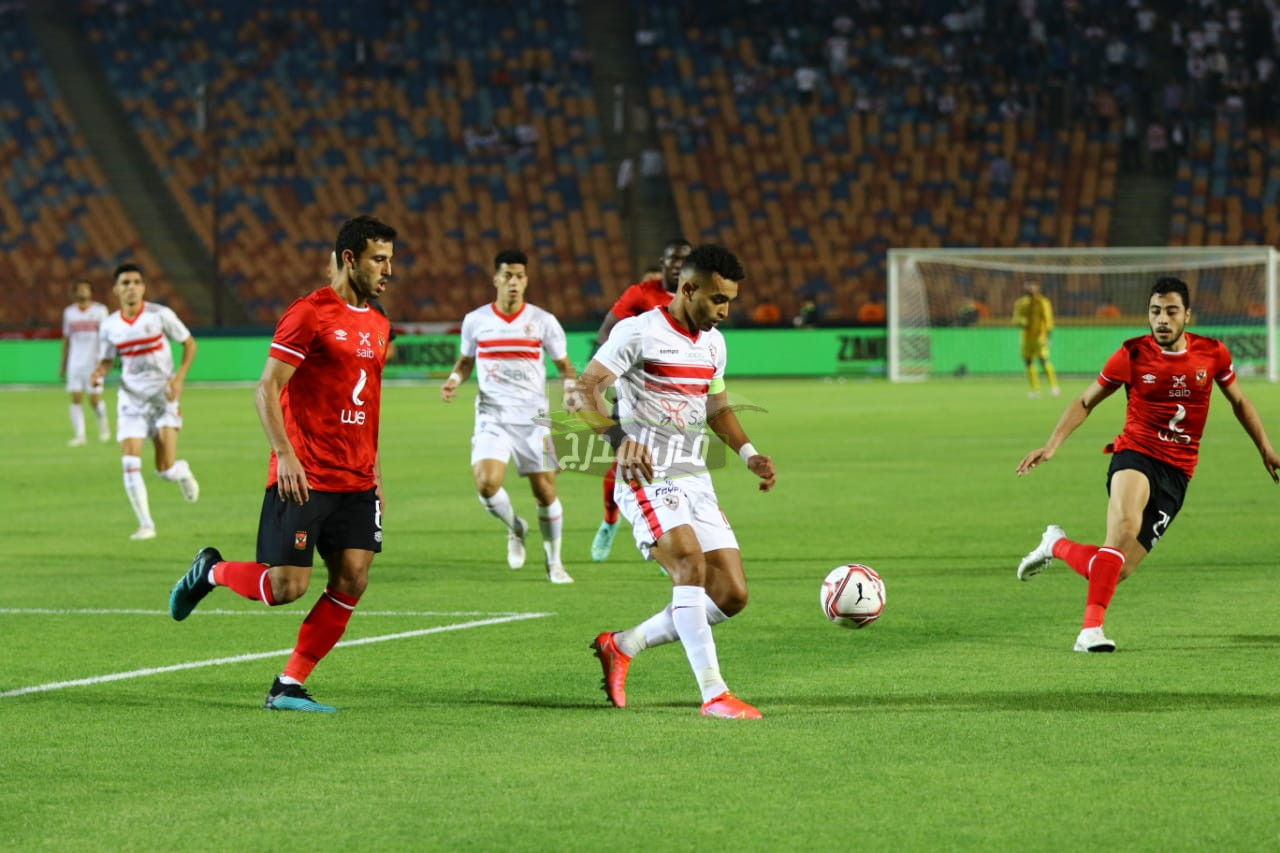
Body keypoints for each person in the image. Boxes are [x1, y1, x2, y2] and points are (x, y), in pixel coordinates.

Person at [167, 215, 397, 713]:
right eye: (379, 259)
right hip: (306, 473)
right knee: (287, 586)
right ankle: (210, 572)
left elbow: (369, 403)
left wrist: (375, 473)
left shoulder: (380, 325)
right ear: (349, 259)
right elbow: (266, 387)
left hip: (356, 479)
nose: (388, 270)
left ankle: (288, 684)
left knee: (353, 577)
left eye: (391, 260)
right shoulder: (310, 313)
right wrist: (285, 454)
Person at [1015, 277, 1280, 653]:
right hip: (1135, 454)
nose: (1162, 320)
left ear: (1187, 315)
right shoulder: (1131, 354)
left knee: (1114, 569)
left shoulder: (1213, 353)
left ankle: (1056, 544)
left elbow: (1239, 402)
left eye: (1171, 312)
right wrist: (1052, 444)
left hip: (1178, 472)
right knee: (1123, 528)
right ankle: (1090, 631)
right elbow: (1086, 400)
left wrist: (1265, 448)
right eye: (1155, 311)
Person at [571, 244, 776, 719]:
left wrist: (749, 454)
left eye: (730, 301)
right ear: (688, 289)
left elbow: (717, 409)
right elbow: (583, 391)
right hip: (646, 473)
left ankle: (623, 644)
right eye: (718, 299)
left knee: (730, 594)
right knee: (688, 563)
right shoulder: (637, 332)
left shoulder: (713, 343)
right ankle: (714, 694)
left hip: (695, 476)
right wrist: (618, 438)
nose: (725, 312)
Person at [440, 248, 578, 584]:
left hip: (534, 419)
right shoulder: (476, 321)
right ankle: (515, 527)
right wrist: (454, 380)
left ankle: (554, 562)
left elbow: (564, 366)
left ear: (526, 280)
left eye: (519, 276)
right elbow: (465, 361)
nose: (513, 282)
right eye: (507, 275)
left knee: (545, 492)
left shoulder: (543, 321)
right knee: (487, 485)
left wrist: (572, 393)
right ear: (496, 278)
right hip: (493, 416)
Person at [589, 238, 692, 562]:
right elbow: (607, 331)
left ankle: (668, 539)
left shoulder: (695, 297)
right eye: (672, 258)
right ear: (662, 263)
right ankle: (610, 523)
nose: (677, 265)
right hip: (635, 393)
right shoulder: (640, 293)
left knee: (677, 465)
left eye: (683, 260)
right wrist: (610, 372)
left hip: (675, 399)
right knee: (625, 459)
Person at [90, 263, 199, 540]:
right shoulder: (109, 326)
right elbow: (106, 360)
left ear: (143, 287)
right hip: (131, 400)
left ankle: (180, 471)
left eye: (136, 282)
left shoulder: (160, 315)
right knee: (129, 460)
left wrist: (179, 379)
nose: (131, 287)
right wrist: (99, 372)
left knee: (164, 469)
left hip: (163, 398)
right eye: (125, 283)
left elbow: (189, 343)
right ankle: (145, 524)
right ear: (116, 290)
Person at [61, 278, 111, 446]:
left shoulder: (100, 311)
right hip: (75, 362)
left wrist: (104, 360)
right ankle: (80, 435)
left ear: (91, 292)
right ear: (75, 293)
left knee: (94, 400)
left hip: (94, 362)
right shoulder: (69, 313)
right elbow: (67, 339)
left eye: (86, 289)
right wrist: (63, 364)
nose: (83, 292)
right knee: (75, 398)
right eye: (80, 289)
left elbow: (106, 337)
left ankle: (103, 427)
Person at [1012, 279, 1060, 398]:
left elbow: (1048, 319)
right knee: (1028, 361)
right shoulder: (1021, 303)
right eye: (1027, 286)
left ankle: (1054, 387)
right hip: (1026, 337)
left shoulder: (1043, 302)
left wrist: (1049, 336)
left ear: (1037, 287)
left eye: (1032, 286)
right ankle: (1035, 390)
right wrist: (1021, 322)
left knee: (1043, 360)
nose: (1029, 288)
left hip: (1040, 337)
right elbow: (1015, 319)